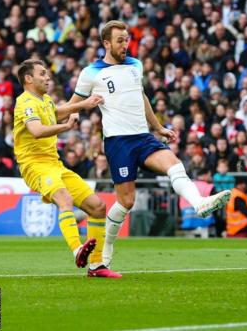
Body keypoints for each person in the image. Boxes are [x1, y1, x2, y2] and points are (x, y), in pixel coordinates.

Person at [68, 21, 231, 269]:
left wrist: (157, 127)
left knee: (175, 165)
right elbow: (73, 103)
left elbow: (140, 95)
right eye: (120, 41)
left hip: (143, 137)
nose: (125, 45)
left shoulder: (135, 65)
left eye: (127, 39)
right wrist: (75, 112)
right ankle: (105, 253)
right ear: (106, 44)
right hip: (118, 142)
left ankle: (199, 204)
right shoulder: (91, 73)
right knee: (126, 202)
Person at [13, 59, 120, 278]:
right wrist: (66, 127)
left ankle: (97, 265)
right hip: (34, 165)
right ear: (28, 79)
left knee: (98, 207)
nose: (47, 77)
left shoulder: (44, 100)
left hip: (54, 164)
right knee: (65, 199)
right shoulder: (25, 102)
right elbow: (36, 130)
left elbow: (58, 111)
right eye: (42, 74)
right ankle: (77, 249)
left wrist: (84, 104)